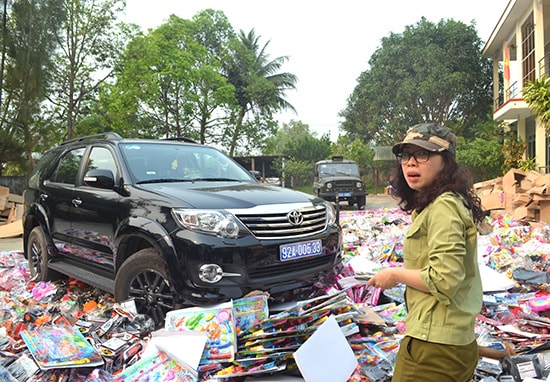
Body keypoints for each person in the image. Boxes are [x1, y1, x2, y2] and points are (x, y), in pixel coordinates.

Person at [367, 123, 485, 381]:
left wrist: (395, 275)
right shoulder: (437, 204)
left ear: (446, 161)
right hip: (448, 342)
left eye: (423, 154)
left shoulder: (444, 207)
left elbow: (444, 280)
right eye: (406, 155)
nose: (411, 163)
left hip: (434, 350)